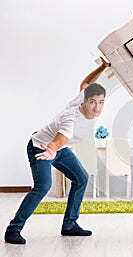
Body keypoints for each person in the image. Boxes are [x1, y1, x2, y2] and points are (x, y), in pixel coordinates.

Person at [4, 57, 110, 244]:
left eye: (101, 102)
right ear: (85, 101)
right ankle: (13, 229)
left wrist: (102, 67)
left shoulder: (82, 98)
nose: (97, 107)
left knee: (81, 178)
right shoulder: (71, 120)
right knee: (43, 186)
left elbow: (86, 83)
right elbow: (58, 140)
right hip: (41, 147)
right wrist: (52, 150)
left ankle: (69, 225)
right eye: (93, 102)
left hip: (60, 149)